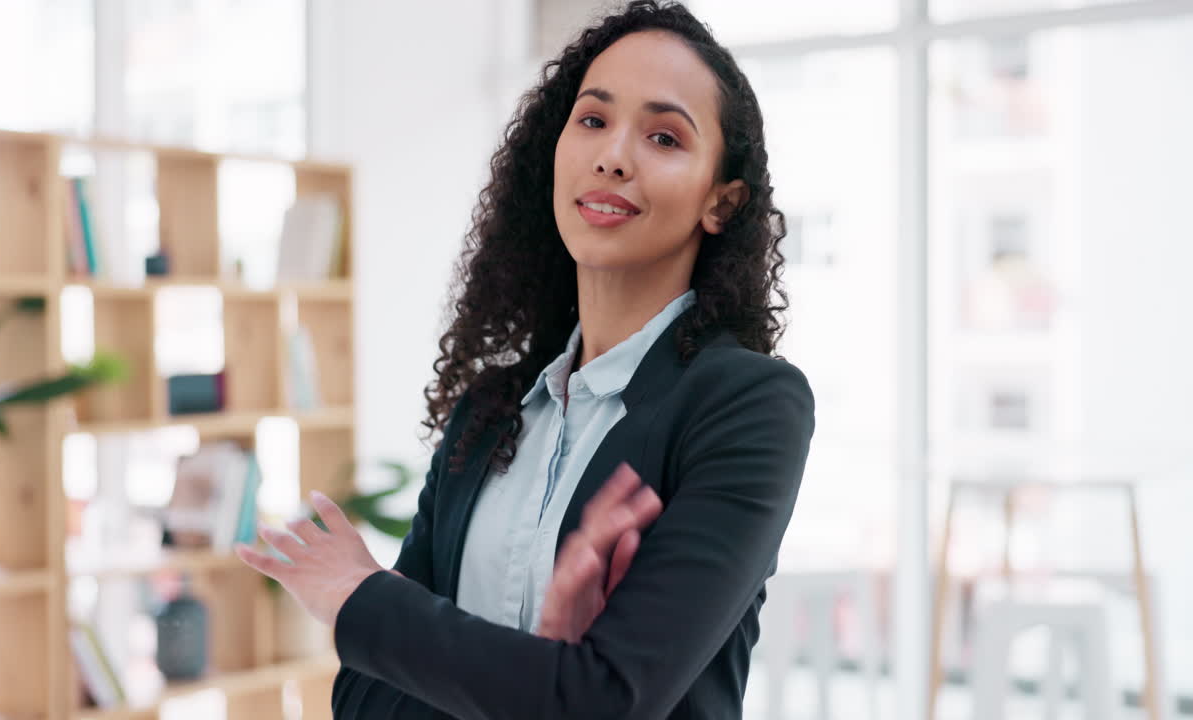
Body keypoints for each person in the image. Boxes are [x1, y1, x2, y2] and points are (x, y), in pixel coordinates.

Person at [235, 2, 816, 717]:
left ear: (721, 203)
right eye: (593, 120)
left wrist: (363, 597)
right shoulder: (489, 410)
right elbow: (361, 698)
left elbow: (604, 700)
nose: (613, 156)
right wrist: (538, 677)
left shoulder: (748, 406)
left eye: (663, 137)